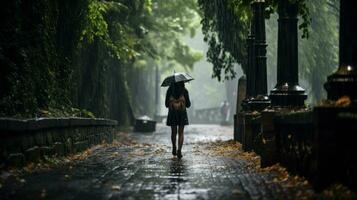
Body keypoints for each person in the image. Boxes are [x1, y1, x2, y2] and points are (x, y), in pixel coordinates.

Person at [165, 81, 191, 159]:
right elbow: (188, 105)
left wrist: (172, 102)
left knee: (173, 132)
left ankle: (174, 147)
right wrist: (182, 101)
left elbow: (166, 104)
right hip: (182, 114)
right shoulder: (185, 91)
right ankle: (179, 149)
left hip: (172, 113)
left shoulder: (169, 91)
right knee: (181, 132)